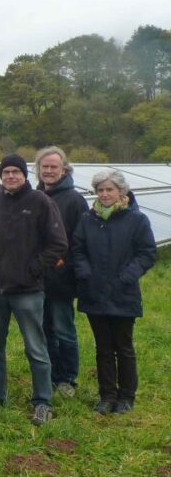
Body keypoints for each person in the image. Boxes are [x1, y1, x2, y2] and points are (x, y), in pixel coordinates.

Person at [0, 154, 67, 426]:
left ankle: (42, 402)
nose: (11, 176)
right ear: (1, 175)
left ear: (25, 174)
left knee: (36, 348)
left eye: (16, 171)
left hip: (28, 290)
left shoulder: (41, 202)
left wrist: (32, 270)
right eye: (6, 172)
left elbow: (58, 244)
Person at [72, 169, 156, 415]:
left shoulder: (136, 220)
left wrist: (127, 276)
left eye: (110, 189)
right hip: (94, 291)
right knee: (103, 347)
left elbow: (146, 253)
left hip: (123, 292)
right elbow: (77, 249)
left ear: (122, 192)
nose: (105, 194)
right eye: (100, 190)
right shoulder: (88, 220)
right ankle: (107, 395)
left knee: (124, 347)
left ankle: (127, 396)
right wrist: (85, 272)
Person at [35, 147, 88, 399]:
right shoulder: (33, 196)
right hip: (36, 279)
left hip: (62, 279)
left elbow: (81, 240)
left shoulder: (75, 200)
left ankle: (67, 379)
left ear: (64, 169)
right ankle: (51, 375)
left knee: (64, 330)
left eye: (53, 167)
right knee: (44, 330)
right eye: (44, 167)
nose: (48, 171)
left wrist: (65, 265)